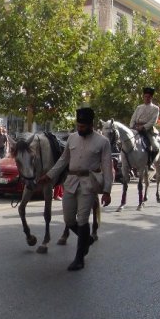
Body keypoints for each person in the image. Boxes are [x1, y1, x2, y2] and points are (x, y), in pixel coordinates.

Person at [37, 107, 112, 271]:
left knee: (83, 219)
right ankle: (86, 240)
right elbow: (63, 160)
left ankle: (79, 258)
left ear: (91, 124)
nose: (80, 129)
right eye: (78, 126)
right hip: (70, 183)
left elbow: (107, 167)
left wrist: (107, 191)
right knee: (69, 219)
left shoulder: (103, 142)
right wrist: (48, 176)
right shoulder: (71, 138)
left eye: (83, 126)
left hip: (88, 184)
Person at [129, 87, 160, 168]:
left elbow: (153, 121)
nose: (146, 98)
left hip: (148, 130)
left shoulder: (155, 108)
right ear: (143, 97)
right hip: (135, 128)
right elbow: (133, 118)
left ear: (151, 97)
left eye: (148, 97)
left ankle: (150, 162)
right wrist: (132, 126)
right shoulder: (139, 107)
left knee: (155, 147)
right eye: (145, 96)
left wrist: (143, 127)